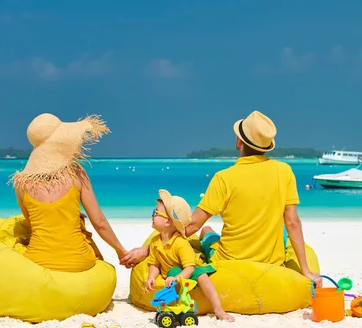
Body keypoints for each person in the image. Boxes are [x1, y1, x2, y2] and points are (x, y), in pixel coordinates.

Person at [121, 110, 321, 287]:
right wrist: (305, 270)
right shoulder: (284, 171)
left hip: (228, 261)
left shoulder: (224, 178)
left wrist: (148, 250)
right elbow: (292, 222)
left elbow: (191, 226)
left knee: (207, 230)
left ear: (239, 142)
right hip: (271, 263)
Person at [12, 113, 128, 272]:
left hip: (38, 262)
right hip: (79, 261)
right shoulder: (76, 173)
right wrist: (121, 251)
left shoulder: (21, 183)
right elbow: (99, 223)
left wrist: (63, 214)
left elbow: (34, 224)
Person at [144, 189, 235, 322]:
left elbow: (190, 268)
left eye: (155, 212)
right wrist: (151, 277)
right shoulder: (155, 242)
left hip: (191, 266)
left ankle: (218, 310)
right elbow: (155, 264)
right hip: (175, 270)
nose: (152, 215)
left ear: (168, 222)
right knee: (173, 271)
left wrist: (177, 278)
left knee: (202, 275)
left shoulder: (180, 243)